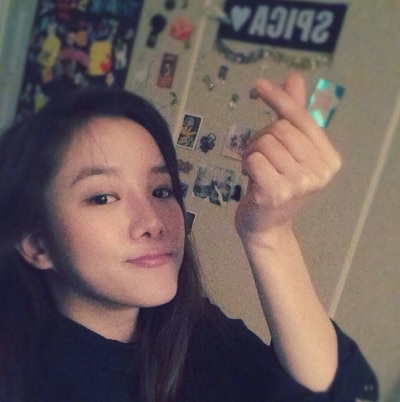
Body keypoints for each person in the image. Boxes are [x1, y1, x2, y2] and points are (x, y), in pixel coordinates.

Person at [0, 73, 378, 402]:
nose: (152, 221)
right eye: (103, 197)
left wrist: (269, 235)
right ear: (36, 244)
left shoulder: (200, 334)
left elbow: (333, 392)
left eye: (161, 190)